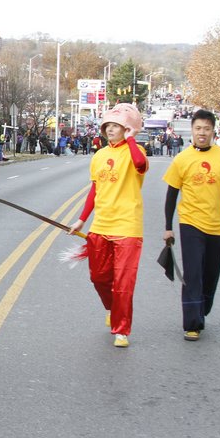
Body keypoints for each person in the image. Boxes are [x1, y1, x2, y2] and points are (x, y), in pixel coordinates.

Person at [68, 103, 148, 349]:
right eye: (108, 126)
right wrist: (82, 218)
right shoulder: (100, 155)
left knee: (123, 283)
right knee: (98, 277)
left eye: (117, 126)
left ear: (128, 129)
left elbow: (140, 166)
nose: (111, 130)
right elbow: (95, 189)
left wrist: (132, 140)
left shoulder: (137, 151)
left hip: (127, 227)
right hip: (101, 225)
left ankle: (121, 329)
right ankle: (112, 308)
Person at [162, 109, 220, 341]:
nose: (202, 133)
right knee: (193, 273)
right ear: (192, 130)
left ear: (213, 131)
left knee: (210, 274)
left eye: (206, 129)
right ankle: (191, 324)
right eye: (198, 129)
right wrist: (168, 226)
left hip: (217, 226)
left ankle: (201, 309)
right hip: (190, 223)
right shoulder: (182, 159)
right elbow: (171, 195)